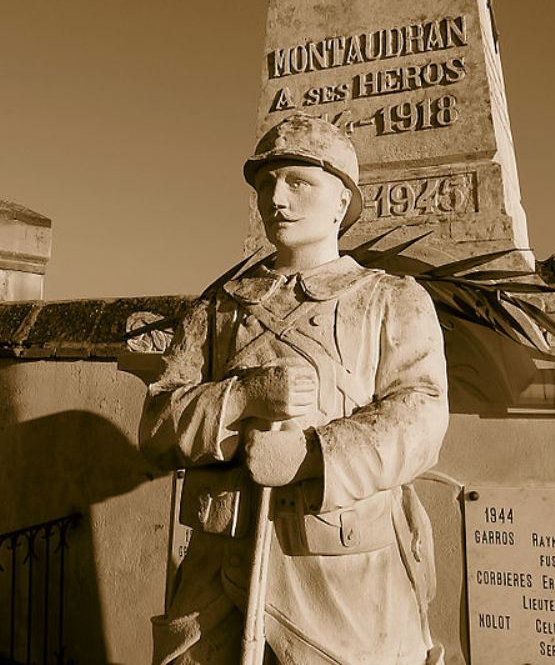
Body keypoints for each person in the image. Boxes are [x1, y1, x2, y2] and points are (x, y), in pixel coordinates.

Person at [139, 112, 449, 664]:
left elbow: (420, 416)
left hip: (342, 583)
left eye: (298, 182)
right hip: (218, 575)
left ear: (341, 202)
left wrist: (311, 455)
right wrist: (240, 398)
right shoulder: (218, 308)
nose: (275, 199)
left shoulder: (389, 299)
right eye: (266, 185)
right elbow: (159, 424)